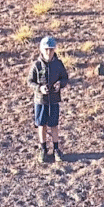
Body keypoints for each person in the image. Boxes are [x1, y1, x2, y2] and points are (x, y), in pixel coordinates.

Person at [27, 35, 69, 163]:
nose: (49, 52)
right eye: (46, 49)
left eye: (51, 49)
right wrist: (39, 88)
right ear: (41, 49)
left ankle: (56, 149)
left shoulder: (58, 64)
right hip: (40, 101)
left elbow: (65, 78)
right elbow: (30, 81)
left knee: (54, 125)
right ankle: (43, 149)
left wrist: (60, 84)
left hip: (54, 100)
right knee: (41, 125)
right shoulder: (37, 65)